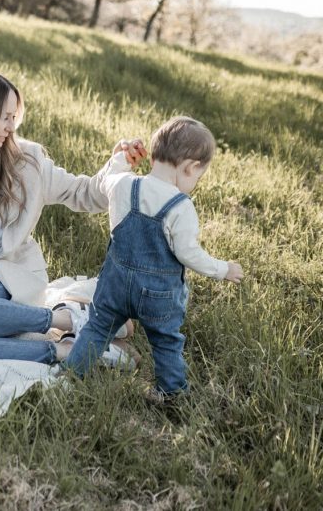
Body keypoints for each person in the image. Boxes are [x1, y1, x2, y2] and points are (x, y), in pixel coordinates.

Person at [0, 68, 147, 365]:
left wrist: (119, 162)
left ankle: (69, 319)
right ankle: (66, 350)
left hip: (2, 272)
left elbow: (84, 193)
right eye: (4, 117)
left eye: (13, 117)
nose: (11, 126)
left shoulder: (27, 160)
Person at [63, 116, 244, 399]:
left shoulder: (123, 185)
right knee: (165, 340)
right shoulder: (181, 206)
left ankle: (71, 378)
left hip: (115, 285)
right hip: (157, 295)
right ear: (190, 167)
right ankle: (171, 393)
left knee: (98, 328)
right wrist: (223, 269)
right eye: (198, 176)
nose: (194, 182)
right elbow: (188, 253)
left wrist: (122, 158)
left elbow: (108, 177)